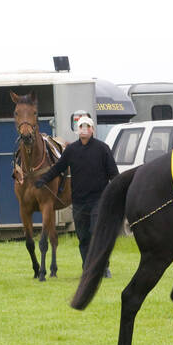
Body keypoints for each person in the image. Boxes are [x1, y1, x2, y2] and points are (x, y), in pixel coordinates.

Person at [34, 114, 118, 276]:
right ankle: (87, 268)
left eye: (87, 126)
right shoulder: (71, 150)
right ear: (77, 131)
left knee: (96, 233)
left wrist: (117, 192)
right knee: (83, 236)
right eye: (81, 127)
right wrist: (43, 180)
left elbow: (113, 173)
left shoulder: (102, 149)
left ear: (93, 129)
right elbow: (58, 168)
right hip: (78, 201)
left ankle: (103, 266)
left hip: (98, 200)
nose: (84, 130)